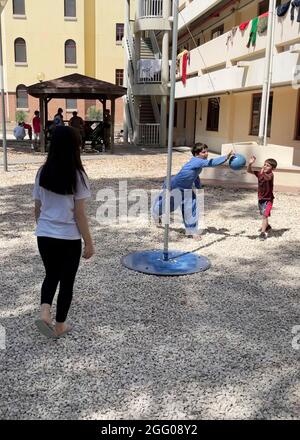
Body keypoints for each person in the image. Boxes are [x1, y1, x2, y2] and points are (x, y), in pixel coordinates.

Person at [33, 126, 95, 339]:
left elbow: (37, 207)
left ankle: (44, 311)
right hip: (68, 238)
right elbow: (79, 215)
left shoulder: (42, 171)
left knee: (51, 274)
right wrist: (89, 242)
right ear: (75, 147)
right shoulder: (78, 175)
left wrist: (42, 227)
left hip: (44, 235)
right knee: (66, 281)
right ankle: (60, 326)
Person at [152, 143, 233, 237]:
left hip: (187, 189)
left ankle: (192, 231)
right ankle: (156, 213)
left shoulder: (198, 163)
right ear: (196, 154)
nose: (206, 153)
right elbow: (211, 163)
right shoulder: (196, 161)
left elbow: (195, 175)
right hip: (174, 186)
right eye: (203, 152)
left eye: (207, 151)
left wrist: (199, 187)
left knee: (191, 208)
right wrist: (226, 157)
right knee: (169, 206)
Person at [247, 156, 278, 240]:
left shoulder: (270, 175)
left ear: (273, 168)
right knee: (264, 215)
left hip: (268, 200)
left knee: (265, 215)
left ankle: (263, 233)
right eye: (264, 164)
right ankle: (267, 227)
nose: (265, 166)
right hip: (261, 198)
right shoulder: (261, 173)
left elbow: (267, 178)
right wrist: (250, 164)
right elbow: (249, 171)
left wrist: (261, 172)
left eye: (268, 165)